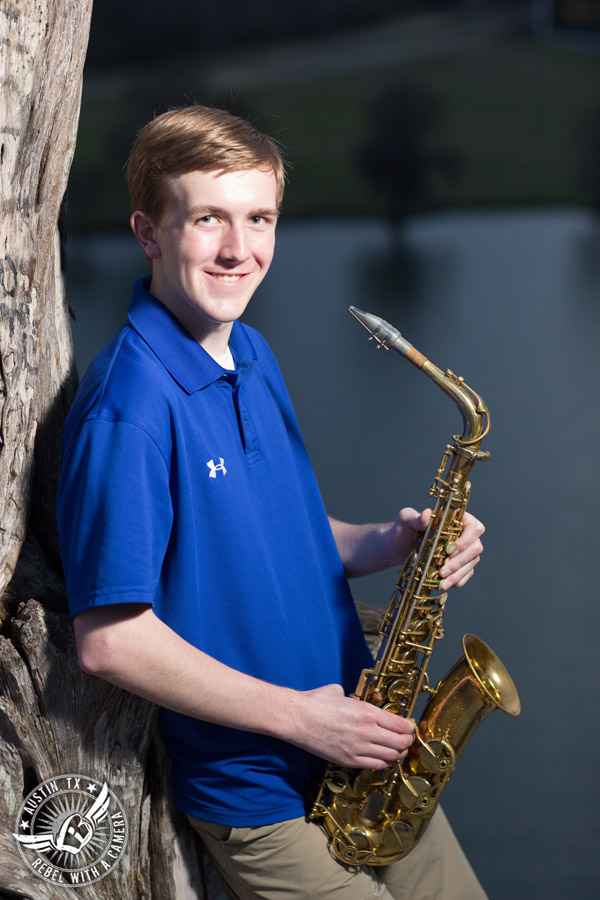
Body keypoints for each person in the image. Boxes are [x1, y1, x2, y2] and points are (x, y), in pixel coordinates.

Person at [57, 105, 487, 900]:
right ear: (149, 233)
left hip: (363, 754)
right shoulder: (130, 408)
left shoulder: (251, 352)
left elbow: (274, 532)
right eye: (209, 219)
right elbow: (110, 640)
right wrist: (302, 719)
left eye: (260, 218)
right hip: (262, 800)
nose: (239, 250)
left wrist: (391, 543)